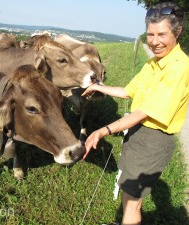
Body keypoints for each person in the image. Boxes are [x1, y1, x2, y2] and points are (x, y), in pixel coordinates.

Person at [81, 2, 189, 225]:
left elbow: (143, 113)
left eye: (162, 34)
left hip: (153, 142)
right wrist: (98, 87)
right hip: (138, 135)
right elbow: (128, 92)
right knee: (128, 195)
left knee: (132, 204)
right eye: (150, 34)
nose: (154, 41)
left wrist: (104, 130)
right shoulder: (153, 64)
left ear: (177, 32)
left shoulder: (179, 67)